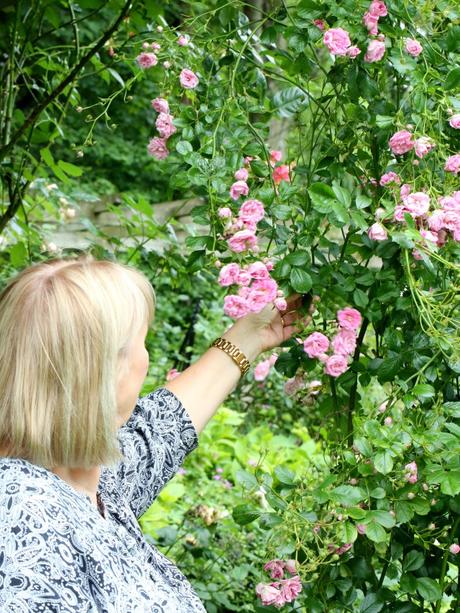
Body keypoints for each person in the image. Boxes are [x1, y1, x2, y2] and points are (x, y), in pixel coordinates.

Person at [0, 255, 309, 612]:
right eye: (142, 341)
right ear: (105, 373)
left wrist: (254, 333)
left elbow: (159, 430)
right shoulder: (23, 520)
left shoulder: (83, 476)